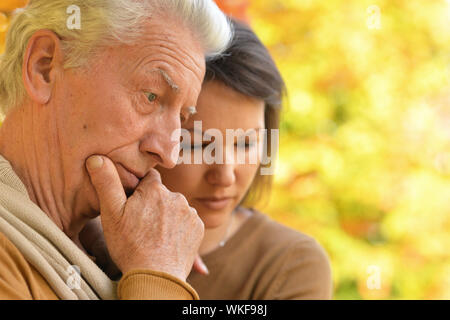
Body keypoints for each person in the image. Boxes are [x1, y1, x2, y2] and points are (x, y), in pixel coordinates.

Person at [0, 0, 232, 300]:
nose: (169, 155)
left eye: (182, 118)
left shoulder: (105, 250)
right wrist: (159, 278)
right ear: (44, 67)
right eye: (151, 96)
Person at [156, 19, 333, 299]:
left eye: (247, 143)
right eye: (199, 144)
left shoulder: (290, 266)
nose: (225, 175)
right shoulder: (86, 244)